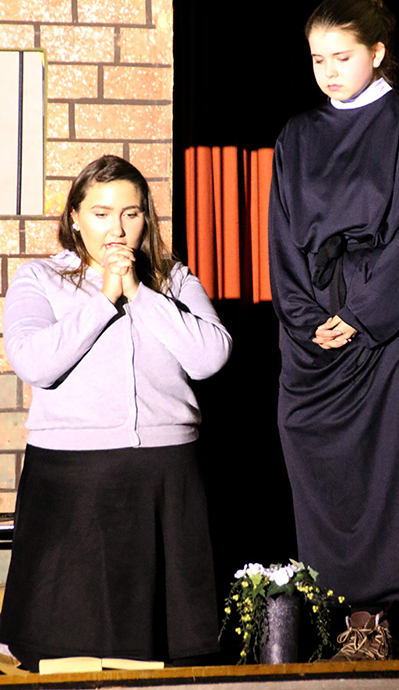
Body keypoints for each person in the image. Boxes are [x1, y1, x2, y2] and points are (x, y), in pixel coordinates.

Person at [268, 0, 399, 661]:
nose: (328, 72)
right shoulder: (297, 135)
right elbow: (283, 239)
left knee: (395, 470)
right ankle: (353, 615)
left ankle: (378, 625)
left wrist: (360, 316)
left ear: (378, 52)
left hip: (391, 322)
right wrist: (307, 320)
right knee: (325, 466)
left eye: (343, 57)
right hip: (316, 330)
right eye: (317, 59)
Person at [0, 155, 232, 672]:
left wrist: (138, 294)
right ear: (75, 217)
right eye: (101, 213)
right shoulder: (39, 278)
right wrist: (104, 298)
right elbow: (34, 362)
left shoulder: (172, 279)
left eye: (130, 213)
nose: (117, 229)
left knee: (168, 657)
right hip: (72, 483)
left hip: (165, 479)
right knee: (64, 655)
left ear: (146, 217)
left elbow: (210, 355)